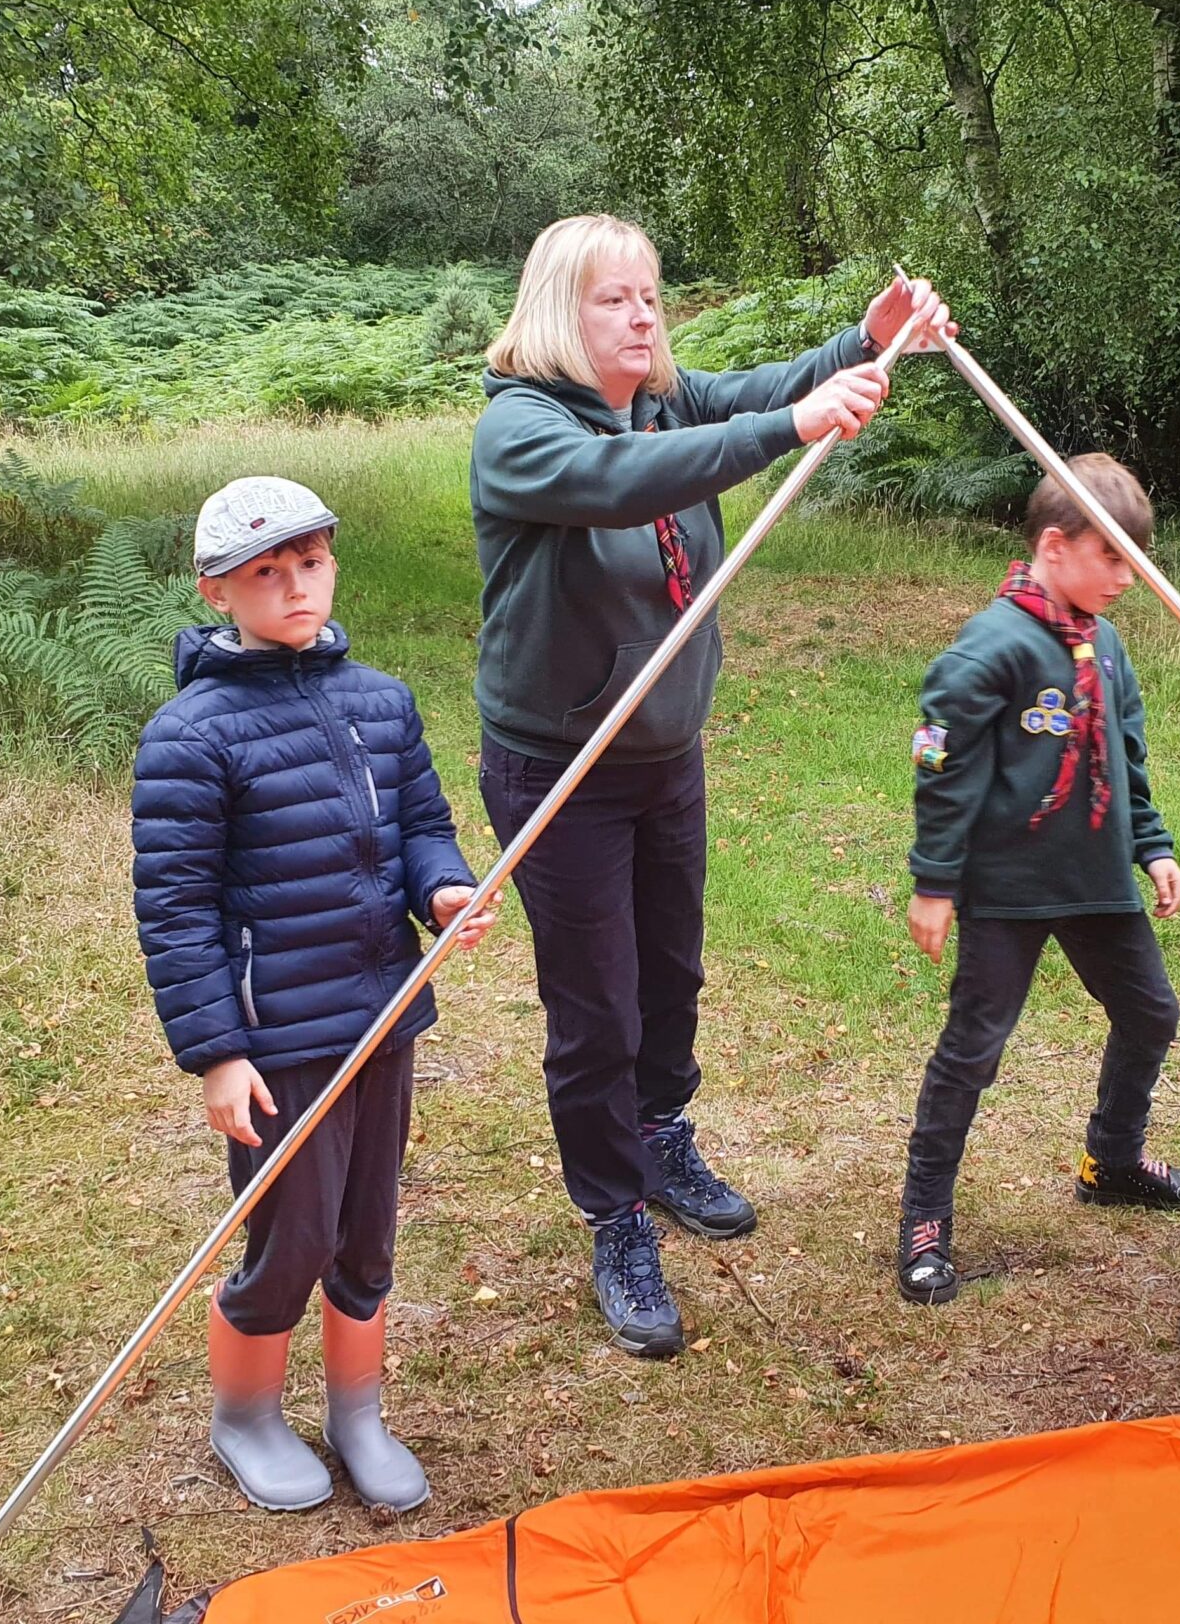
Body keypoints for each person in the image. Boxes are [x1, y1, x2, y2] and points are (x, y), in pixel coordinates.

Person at [470, 213, 952, 1358]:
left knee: (670, 973)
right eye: (614, 298)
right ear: (558, 312)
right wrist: (789, 428)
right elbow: (624, 481)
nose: (643, 316)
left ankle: (658, 1136)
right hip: (561, 766)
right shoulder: (519, 430)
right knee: (597, 1003)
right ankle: (614, 1216)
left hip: (662, 755)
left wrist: (863, 342)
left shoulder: (663, 398)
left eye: (650, 295)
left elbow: (756, 390)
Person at [131, 475, 493, 1512]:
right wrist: (218, 1052)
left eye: (312, 563)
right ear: (216, 591)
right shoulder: (191, 736)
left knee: (367, 1230)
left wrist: (442, 887)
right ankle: (244, 1417)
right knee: (291, 1234)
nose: (296, 588)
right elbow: (176, 909)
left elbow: (421, 824)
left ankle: (356, 1412)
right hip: (279, 1034)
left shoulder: (381, 701)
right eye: (265, 573)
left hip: (381, 1014)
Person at [895, 453, 1180, 1306]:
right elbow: (943, 767)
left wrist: (1153, 845)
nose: (1127, 577)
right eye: (1112, 556)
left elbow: (1125, 757)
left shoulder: (1105, 644)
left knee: (1150, 1014)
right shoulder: (991, 646)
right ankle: (925, 1218)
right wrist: (935, 881)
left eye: (1134, 559)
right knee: (974, 1050)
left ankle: (1112, 1161)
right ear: (1054, 545)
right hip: (1007, 889)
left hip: (1096, 880)